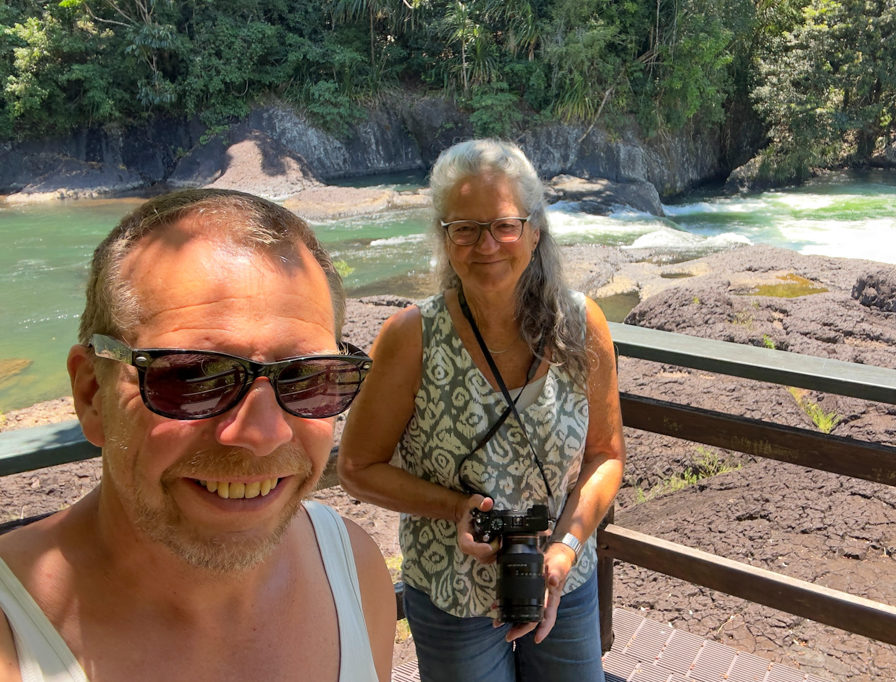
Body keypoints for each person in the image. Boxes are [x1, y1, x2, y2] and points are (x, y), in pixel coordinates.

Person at [0, 189, 396, 682]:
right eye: (192, 378)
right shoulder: (12, 635)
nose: (262, 434)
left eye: (308, 377)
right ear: (90, 393)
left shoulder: (353, 569)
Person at [338, 139, 626, 681]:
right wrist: (455, 507)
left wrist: (565, 547)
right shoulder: (411, 338)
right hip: (453, 587)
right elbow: (357, 467)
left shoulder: (582, 323)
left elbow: (607, 456)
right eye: (463, 229)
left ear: (535, 231)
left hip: (563, 573)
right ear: (444, 240)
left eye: (504, 225)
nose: (485, 244)